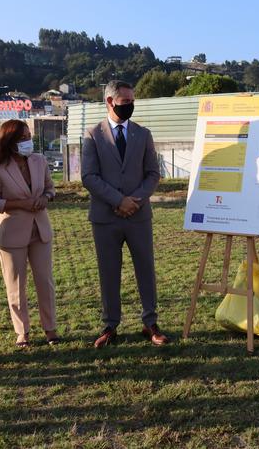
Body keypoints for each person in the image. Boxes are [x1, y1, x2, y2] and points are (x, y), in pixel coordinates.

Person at [81, 80, 167, 348]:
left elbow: (153, 173)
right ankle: (110, 325)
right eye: (125, 102)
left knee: (145, 269)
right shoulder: (92, 135)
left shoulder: (143, 134)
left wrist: (135, 201)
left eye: (132, 101)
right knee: (108, 272)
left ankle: (150, 322)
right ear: (110, 101)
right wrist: (118, 200)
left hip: (138, 216)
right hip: (105, 218)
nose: (131, 106)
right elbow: (88, 176)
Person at [0, 119, 59, 348]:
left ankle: (51, 329)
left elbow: (50, 188)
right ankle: (22, 332)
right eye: (23, 138)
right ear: (10, 141)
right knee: (15, 284)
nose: (28, 141)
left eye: (29, 136)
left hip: (40, 229)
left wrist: (45, 198)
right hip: (11, 233)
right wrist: (20, 204)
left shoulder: (39, 161)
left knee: (45, 281)